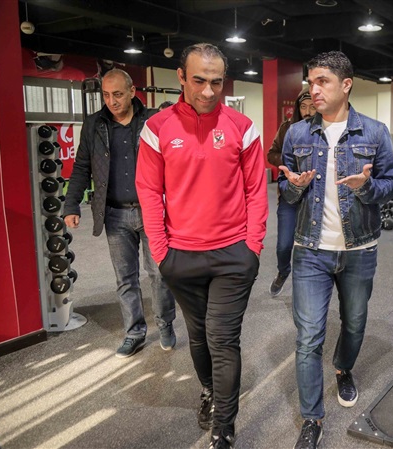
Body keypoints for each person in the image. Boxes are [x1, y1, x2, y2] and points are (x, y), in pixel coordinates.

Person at [136, 43, 268, 449]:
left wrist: (252, 246)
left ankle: (224, 429)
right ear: (181, 77)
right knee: (198, 335)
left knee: (222, 338)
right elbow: (148, 190)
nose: (209, 91)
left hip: (233, 255)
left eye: (217, 82)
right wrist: (161, 253)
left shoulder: (242, 127)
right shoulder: (157, 128)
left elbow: (257, 190)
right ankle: (209, 389)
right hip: (180, 256)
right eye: (199, 81)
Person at [278, 51, 393, 449]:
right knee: (308, 336)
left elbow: (391, 185)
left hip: (359, 248)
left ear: (346, 85)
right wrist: (293, 186)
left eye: (323, 81)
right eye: (310, 82)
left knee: (354, 322)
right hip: (310, 249)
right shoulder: (297, 133)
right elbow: (286, 190)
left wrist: (366, 187)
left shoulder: (374, 132)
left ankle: (343, 368)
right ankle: (312, 419)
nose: (313, 89)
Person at [63, 68, 177, 359]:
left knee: (159, 274)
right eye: (106, 95)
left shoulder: (152, 120)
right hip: (114, 213)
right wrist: (71, 204)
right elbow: (82, 167)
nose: (111, 101)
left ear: (132, 92)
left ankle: (165, 325)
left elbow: (175, 162)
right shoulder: (94, 124)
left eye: (117, 94)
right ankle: (134, 333)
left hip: (152, 211)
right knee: (125, 278)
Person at [267, 87, 316, 297]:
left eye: (312, 107)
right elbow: (271, 154)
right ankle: (283, 271)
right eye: (303, 107)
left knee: (309, 246)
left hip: (313, 195)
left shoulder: (324, 130)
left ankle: (308, 286)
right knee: (284, 245)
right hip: (289, 193)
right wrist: (291, 162)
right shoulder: (288, 128)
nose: (308, 111)